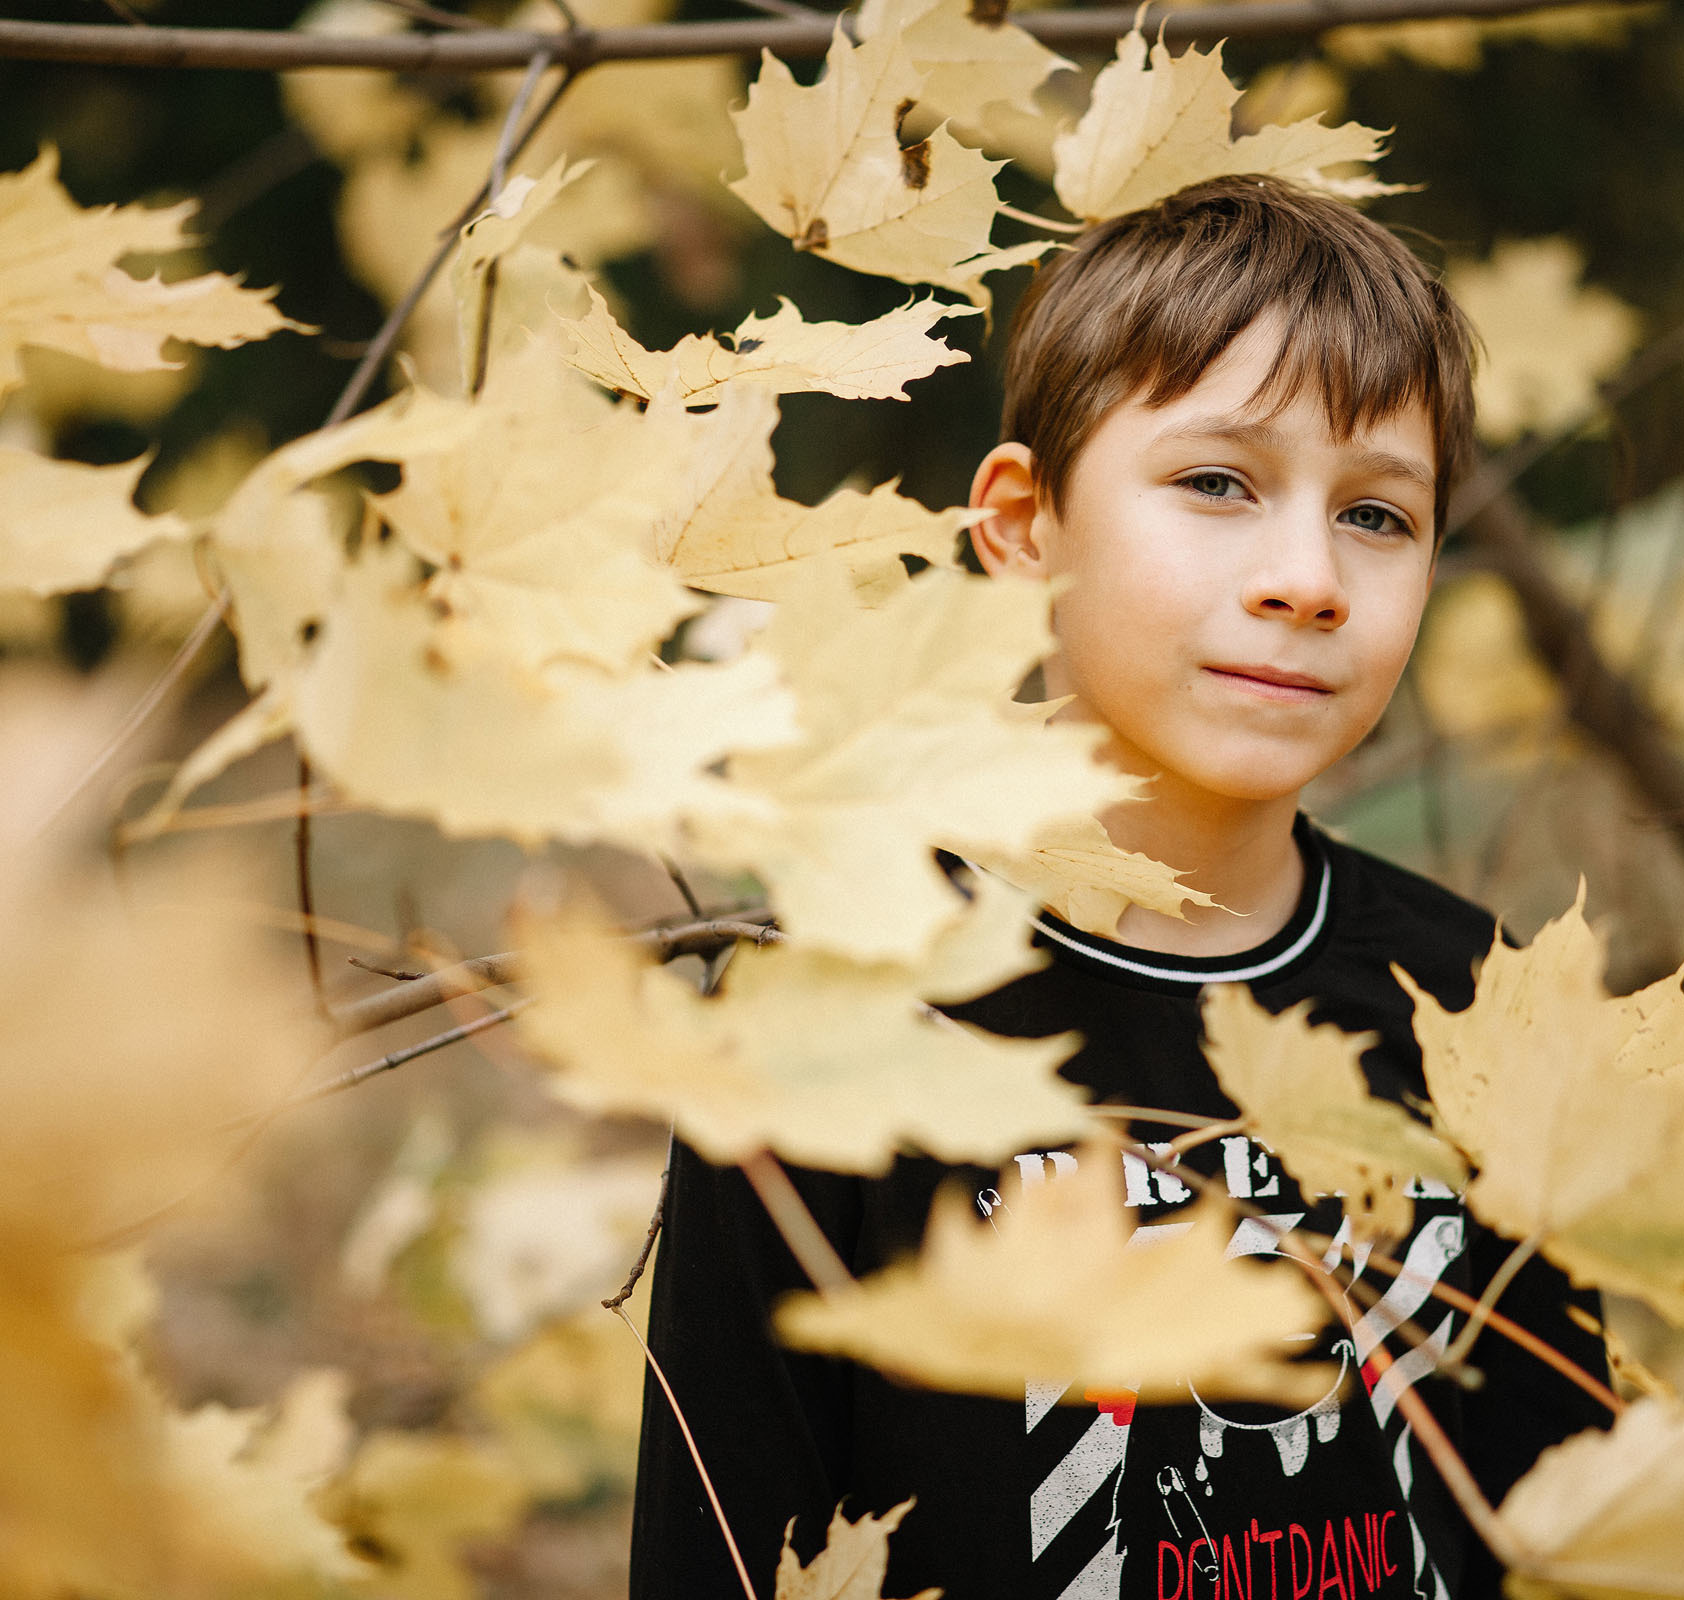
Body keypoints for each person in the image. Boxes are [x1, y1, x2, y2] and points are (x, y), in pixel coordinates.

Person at [630, 174, 1614, 1600]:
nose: (1307, 579)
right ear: (1025, 526)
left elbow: (1570, 1529)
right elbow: (717, 1559)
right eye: (1218, 482)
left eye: (1380, 516)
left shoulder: (1482, 1002)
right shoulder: (819, 1020)